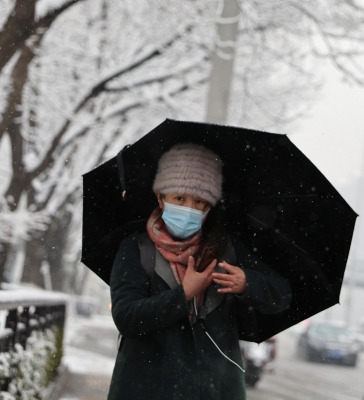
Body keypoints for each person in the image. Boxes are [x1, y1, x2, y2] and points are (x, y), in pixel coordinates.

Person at [107, 143, 292, 400]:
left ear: (208, 209)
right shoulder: (136, 248)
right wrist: (183, 295)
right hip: (147, 389)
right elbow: (127, 317)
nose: (189, 209)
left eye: (199, 202)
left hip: (215, 389)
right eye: (179, 198)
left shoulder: (227, 249)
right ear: (161, 197)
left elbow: (282, 295)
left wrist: (248, 282)